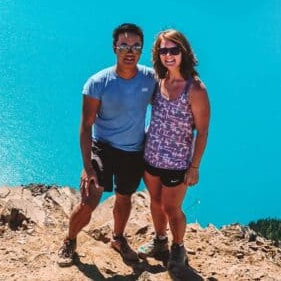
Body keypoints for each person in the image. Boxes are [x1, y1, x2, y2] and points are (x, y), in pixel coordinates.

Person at [57, 23, 156, 267]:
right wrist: (87, 166)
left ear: (141, 50)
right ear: (114, 48)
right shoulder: (97, 83)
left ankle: (118, 239)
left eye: (135, 46)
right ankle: (69, 240)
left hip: (133, 150)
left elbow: (168, 104)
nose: (129, 51)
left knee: (125, 197)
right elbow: (85, 126)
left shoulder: (150, 78)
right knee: (89, 200)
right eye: (124, 45)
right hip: (103, 147)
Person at [137, 29, 210, 272]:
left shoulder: (195, 88)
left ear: (183, 52)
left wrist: (195, 166)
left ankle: (178, 247)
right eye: (163, 50)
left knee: (172, 208)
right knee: (156, 203)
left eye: (173, 50)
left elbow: (202, 132)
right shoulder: (158, 81)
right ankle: (160, 241)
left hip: (178, 162)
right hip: (151, 156)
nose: (168, 55)